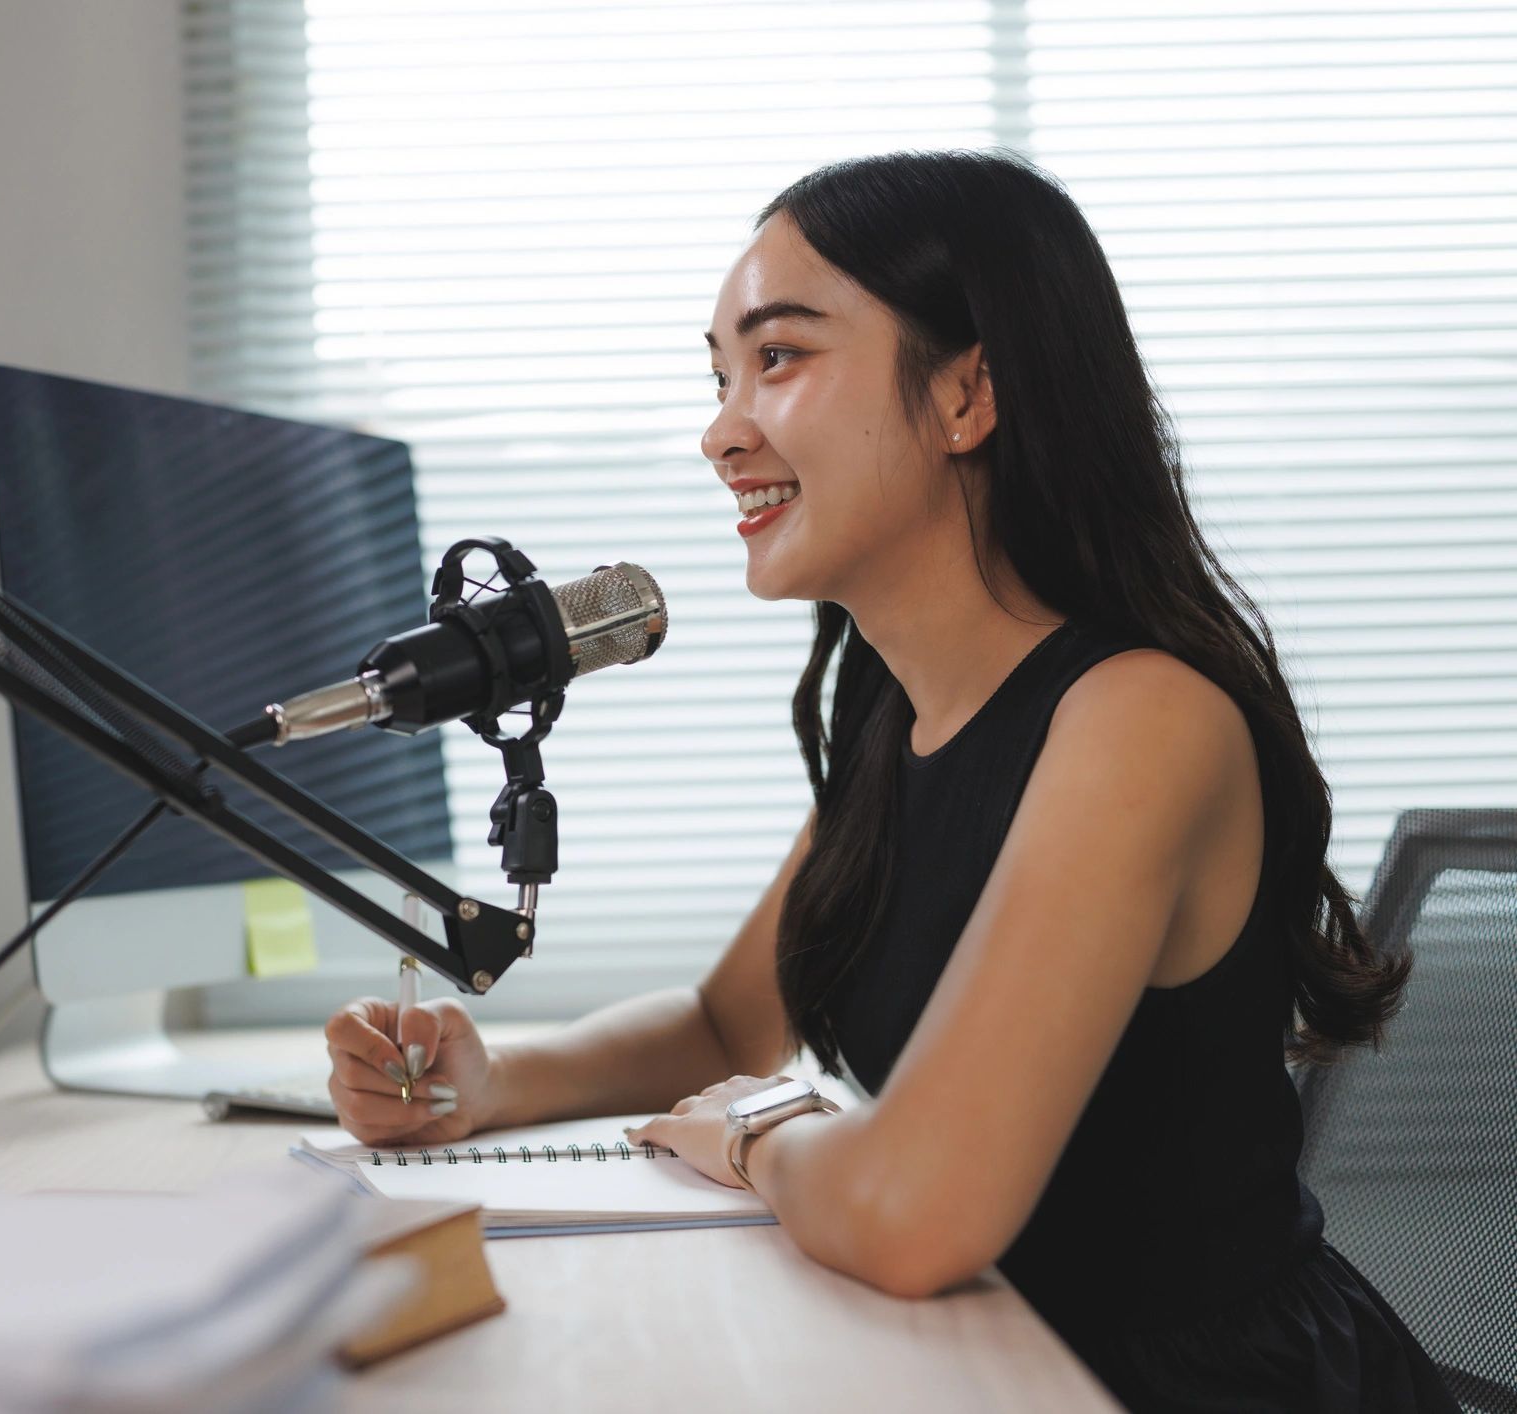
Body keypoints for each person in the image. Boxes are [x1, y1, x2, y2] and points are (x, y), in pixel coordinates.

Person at [320, 149, 1457, 1413]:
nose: (719, 429)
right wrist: (488, 1083)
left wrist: (758, 1135)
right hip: (991, 1364)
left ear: (968, 393)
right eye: (716, 374)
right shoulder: (892, 707)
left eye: (779, 357)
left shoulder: (1139, 720)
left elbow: (915, 1216)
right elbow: (721, 1027)